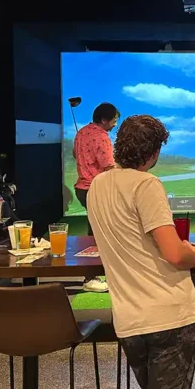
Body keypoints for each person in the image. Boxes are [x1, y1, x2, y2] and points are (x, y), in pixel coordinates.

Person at [87, 115, 195, 389]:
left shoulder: (97, 185)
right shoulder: (147, 184)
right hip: (168, 318)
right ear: (153, 153)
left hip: (130, 323)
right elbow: (174, 254)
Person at [74, 102, 120, 293]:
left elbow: (75, 155)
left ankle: (96, 274)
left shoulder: (82, 132)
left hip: (82, 189)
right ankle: (90, 278)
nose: (115, 124)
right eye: (114, 121)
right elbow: (109, 165)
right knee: (98, 235)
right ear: (104, 120)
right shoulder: (101, 136)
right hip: (97, 189)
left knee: (96, 232)